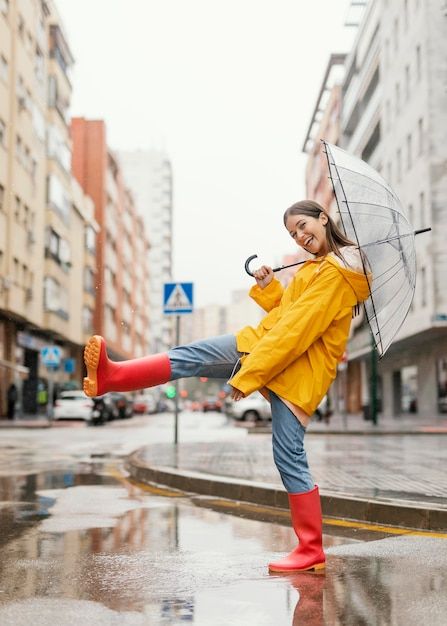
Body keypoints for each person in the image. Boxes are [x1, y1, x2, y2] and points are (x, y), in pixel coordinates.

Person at [83, 199, 370, 573]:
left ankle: (311, 549)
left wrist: (250, 375)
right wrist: (269, 289)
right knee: (192, 357)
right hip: (275, 356)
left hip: (290, 367)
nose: (300, 236)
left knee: (287, 454)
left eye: (303, 225)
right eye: (293, 233)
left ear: (323, 218)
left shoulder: (335, 274)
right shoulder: (319, 269)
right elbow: (290, 314)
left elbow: (296, 332)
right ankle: (113, 376)